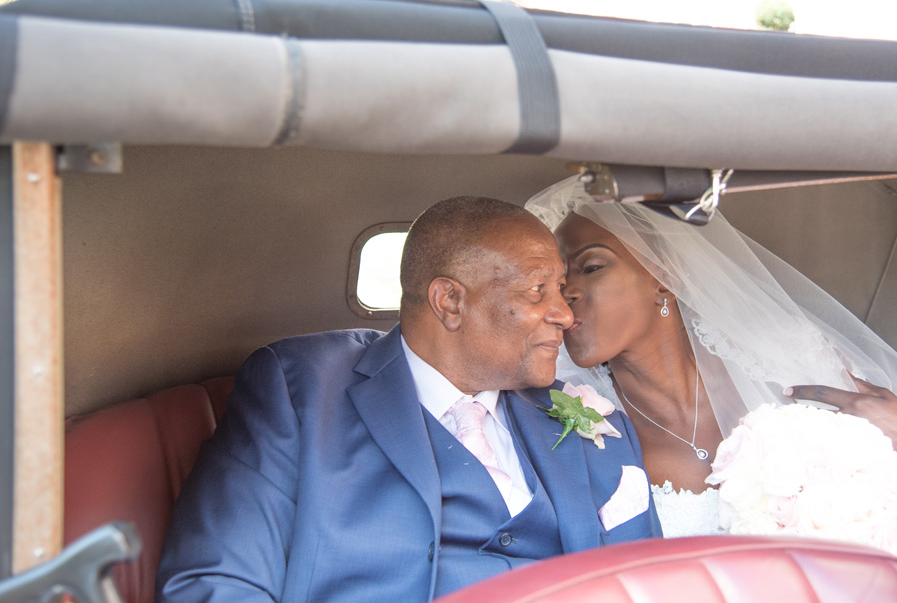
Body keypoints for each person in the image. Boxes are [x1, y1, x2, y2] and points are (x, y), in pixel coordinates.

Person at [157, 195, 660, 603]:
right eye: (537, 291)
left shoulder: (590, 419)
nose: (565, 315)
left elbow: (648, 583)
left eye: (562, 289)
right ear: (450, 301)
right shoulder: (300, 388)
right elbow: (219, 581)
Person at [525, 175, 897, 540]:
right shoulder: (565, 416)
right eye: (558, 281)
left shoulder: (786, 366)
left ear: (664, 278)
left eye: (591, 267)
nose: (565, 295)